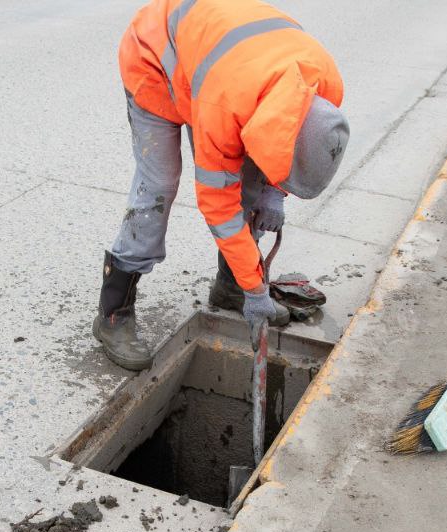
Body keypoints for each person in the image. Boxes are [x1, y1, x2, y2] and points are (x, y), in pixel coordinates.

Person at [94, 0, 349, 370]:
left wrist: (272, 195)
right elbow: (219, 206)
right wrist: (258, 289)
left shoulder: (324, 90)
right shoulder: (225, 108)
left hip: (216, 64)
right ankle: (112, 314)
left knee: (252, 187)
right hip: (155, 61)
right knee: (158, 188)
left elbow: (288, 154)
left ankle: (231, 287)